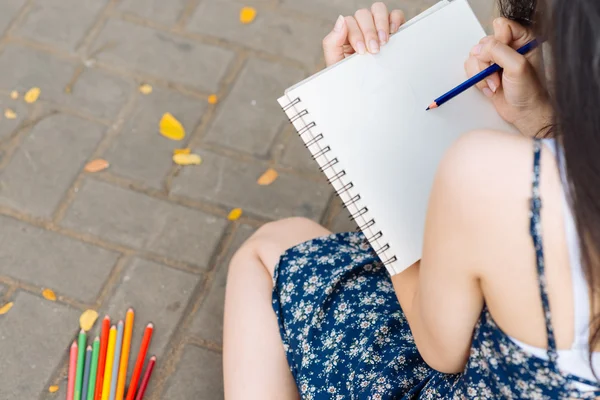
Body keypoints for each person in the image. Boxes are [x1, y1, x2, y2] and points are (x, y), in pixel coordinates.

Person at [223, 0, 600, 397]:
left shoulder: (491, 175)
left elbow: (441, 350)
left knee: (272, 248)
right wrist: (540, 122)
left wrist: (357, 130)